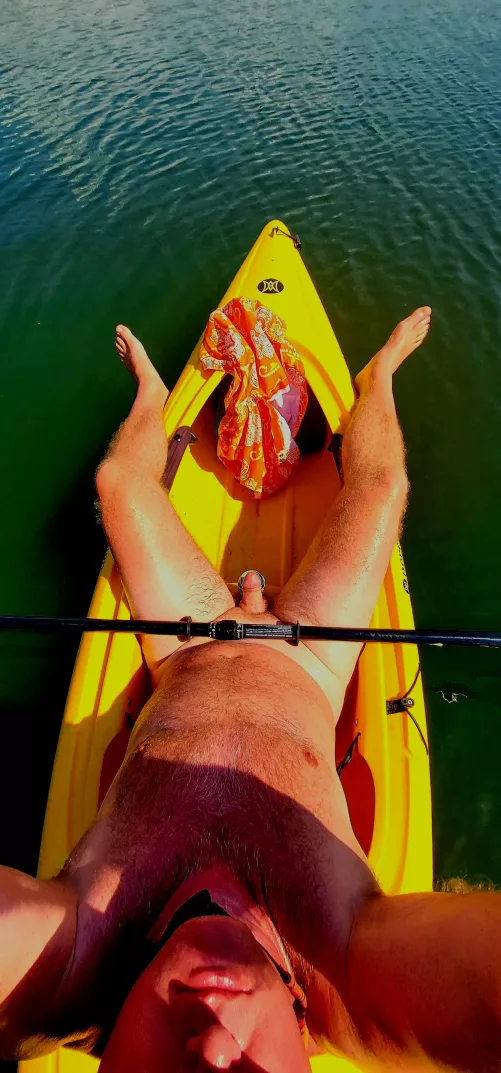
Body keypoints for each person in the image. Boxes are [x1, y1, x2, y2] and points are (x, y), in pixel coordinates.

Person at [1, 306, 500, 1073]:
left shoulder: (59, 964)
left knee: (118, 483)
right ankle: (381, 374)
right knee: (381, 485)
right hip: (311, 664)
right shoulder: (348, 975)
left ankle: (151, 394)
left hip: (184, 649)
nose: (211, 1041)